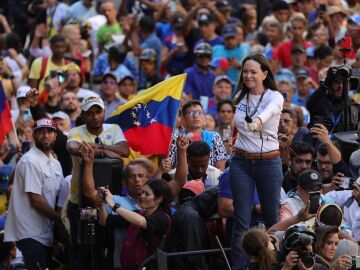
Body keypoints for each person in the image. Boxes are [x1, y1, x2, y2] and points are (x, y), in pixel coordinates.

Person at [230, 54, 284, 270]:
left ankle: (273, 265)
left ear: (264, 73)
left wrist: (260, 120)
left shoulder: (275, 97)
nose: (248, 75)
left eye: (253, 71)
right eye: (245, 71)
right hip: (241, 161)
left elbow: (269, 112)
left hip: (268, 162)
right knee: (241, 219)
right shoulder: (239, 97)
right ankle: (240, 267)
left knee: (272, 219)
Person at [66, 96, 129, 269]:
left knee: (107, 245)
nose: (95, 116)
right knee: (83, 247)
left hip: (111, 202)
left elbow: (124, 150)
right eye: (90, 113)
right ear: (84, 115)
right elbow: (74, 148)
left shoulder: (113, 129)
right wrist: (105, 152)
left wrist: (100, 149)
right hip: (82, 201)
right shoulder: (76, 132)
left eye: (98, 112)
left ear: (104, 112)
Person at [4, 118, 62, 270]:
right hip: (30, 234)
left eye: (50, 131)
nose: (45, 135)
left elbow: (57, 197)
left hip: (46, 233)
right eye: (41, 132)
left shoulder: (55, 163)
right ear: (34, 136)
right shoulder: (30, 161)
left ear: (55, 135)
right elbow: (35, 200)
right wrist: (61, 219)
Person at [99, 179, 172, 270]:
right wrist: (101, 203)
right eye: (142, 192)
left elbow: (142, 222)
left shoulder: (163, 218)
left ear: (160, 198)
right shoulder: (139, 214)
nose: (142, 196)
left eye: (147, 194)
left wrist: (114, 205)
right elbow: (105, 221)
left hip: (151, 266)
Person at [169, 99, 227, 171]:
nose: (196, 116)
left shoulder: (214, 137)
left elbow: (220, 168)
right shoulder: (175, 138)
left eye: (199, 112)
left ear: (203, 117)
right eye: (190, 113)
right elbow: (169, 167)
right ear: (183, 119)